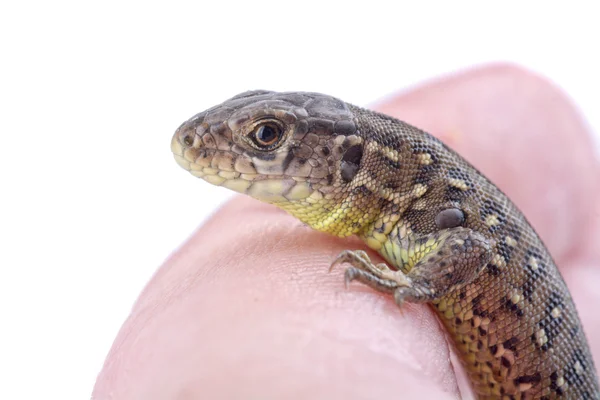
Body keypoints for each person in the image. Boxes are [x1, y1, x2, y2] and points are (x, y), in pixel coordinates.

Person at [93, 64, 600, 399]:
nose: (202, 143)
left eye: (266, 136)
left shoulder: (423, 214)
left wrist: (413, 287)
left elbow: (473, 246)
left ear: (348, 158)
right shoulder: (403, 209)